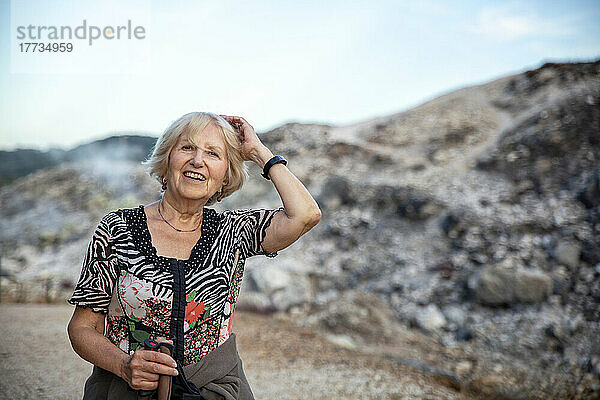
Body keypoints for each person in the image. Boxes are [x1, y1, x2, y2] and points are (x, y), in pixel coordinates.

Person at [67, 112, 321, 399]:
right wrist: (125, 366)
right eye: (187, 147)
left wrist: (259, 152)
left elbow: (306, 214)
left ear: (225, 176)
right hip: (126, 389)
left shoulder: (234, 231)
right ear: (167, 159)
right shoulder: (117, 228)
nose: (197, 160)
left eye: (213, 153)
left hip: (216, 390)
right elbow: (82, 328)